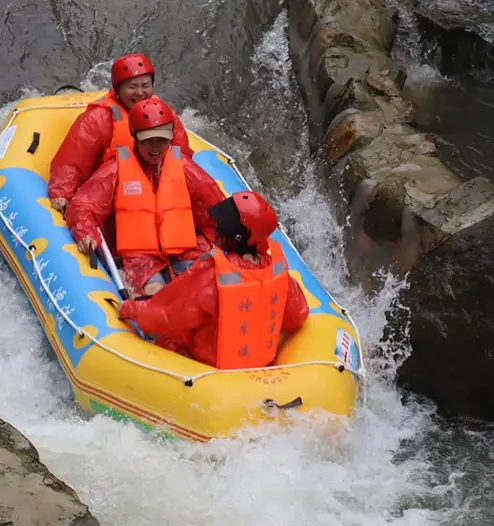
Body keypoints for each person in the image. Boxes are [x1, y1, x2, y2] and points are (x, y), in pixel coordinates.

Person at [116, 191, 310, 369]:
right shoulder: (276, 270)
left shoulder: (215, 272)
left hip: (205, 366)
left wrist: (130, 308)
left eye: (222, 227)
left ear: (235, 238)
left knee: (161, 337)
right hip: (259, 366)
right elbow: (297, 314)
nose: (216, 227)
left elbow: (168, 316)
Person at [65, 97, 225, 296]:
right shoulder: (116, 168)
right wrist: (86, 232)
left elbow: (218, 207)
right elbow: (82, 206)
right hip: (140, 257)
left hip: (184, 249)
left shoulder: (183, 167)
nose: (155, 148)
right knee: (155, 294)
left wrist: (223, 240)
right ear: (136, 138)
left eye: (162, 140)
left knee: (206, 290)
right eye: (148, 140)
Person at [48, 53, 194, 212]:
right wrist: (62, 194)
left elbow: (183, 158)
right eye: (132, 87)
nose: (140, 93)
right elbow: (71, 162)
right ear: (117, 89)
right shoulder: (97, 120)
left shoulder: (165, 115)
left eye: (145, 85)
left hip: (157, 194)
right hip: (111, 196)